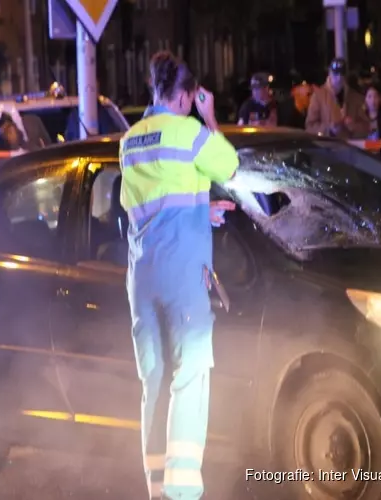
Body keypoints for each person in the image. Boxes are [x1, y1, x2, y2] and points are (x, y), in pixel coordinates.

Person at [119, 51, 239, 500]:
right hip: (182, 278)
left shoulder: (130, 140)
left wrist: (197, 209)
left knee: (152, 382)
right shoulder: (189, 131)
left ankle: (156, 490)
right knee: (189, 379)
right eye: (194, 99)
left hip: (142, 279)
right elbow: (228, 166)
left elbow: (151, 205)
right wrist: (210, 116)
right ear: (187, 95)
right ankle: (183, 492)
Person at [305, 58, 368, 138]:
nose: (338, 78)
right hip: (328, 148)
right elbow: (310, 126)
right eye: (335, 74)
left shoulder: (354, 97)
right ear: (329, 74)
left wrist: (354, 126)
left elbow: (367, 127)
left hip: (350, 147)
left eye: (341, 75)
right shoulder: (318, 96)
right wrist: (329, 129)